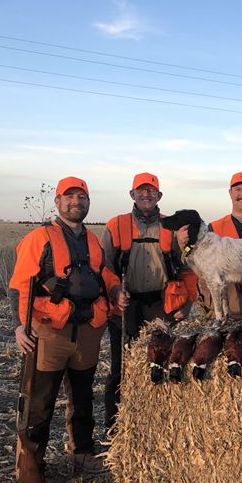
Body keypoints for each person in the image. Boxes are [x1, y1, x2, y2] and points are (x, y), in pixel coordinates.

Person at [9, 176, 128, 483]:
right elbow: (21, 285)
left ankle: (82, 452)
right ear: (58, 202)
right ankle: (31, 470)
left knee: (83, 395)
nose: (76, 202)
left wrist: (115, 289)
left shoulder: (91, 241)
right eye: (69, 197)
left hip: (87, 330)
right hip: (49, 331)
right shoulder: (40, 238)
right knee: (38, 401)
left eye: (82, 197)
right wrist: (20, 327)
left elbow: (103, 272)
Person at [102, 172, 197, 431]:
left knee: (162, 362)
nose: (146, 195)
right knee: (120, 368)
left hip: (160, 304)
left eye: (151, 191)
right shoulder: (116, 224)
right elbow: (105, 267)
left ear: (159, 196)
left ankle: (160, 426)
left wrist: (187, 304)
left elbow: (187, 268)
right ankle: (116, 428)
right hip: (126, 304)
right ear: (132, 194)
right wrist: (114, 291)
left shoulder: (172, 226)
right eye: (141, 191)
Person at [177, 171, 242, 319]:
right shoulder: (212, 230)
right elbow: (197, 269)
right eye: (238, 190)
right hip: (226, 316)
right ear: (230, 193)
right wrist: (184, 247)